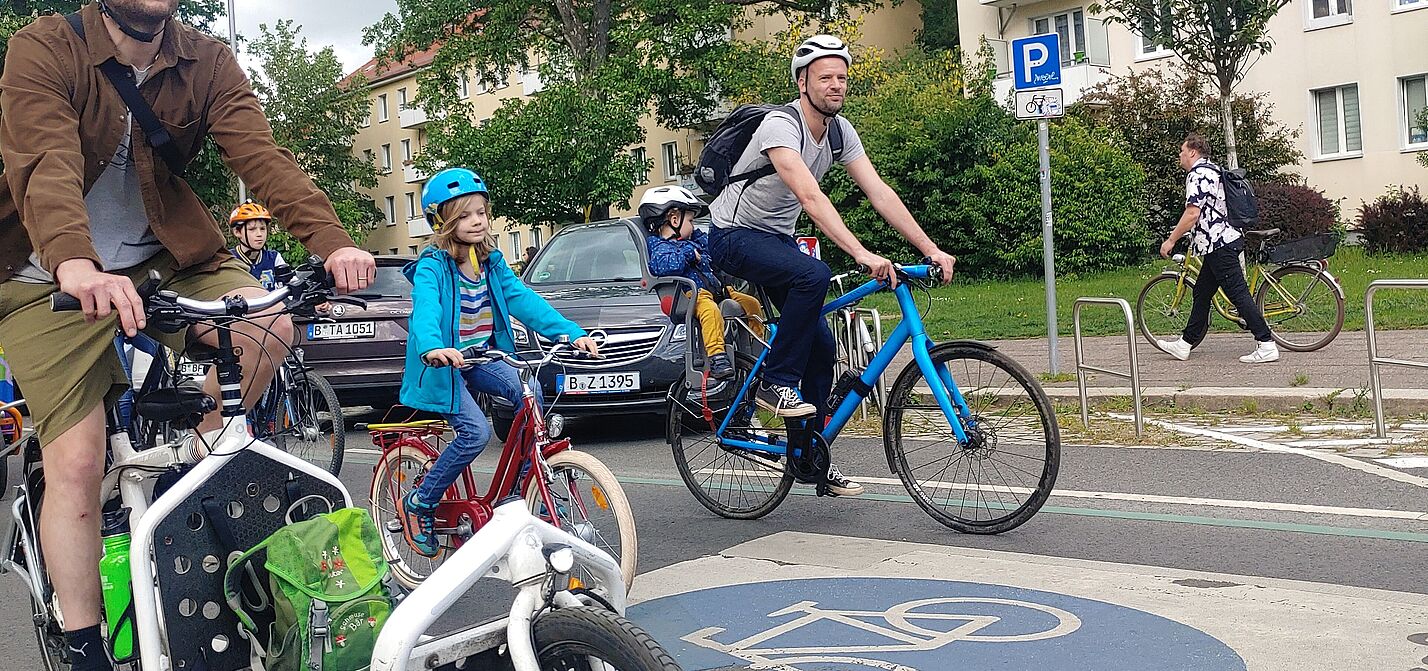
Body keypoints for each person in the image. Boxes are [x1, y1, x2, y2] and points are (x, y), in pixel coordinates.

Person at [0, 3, 375, 669]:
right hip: (43, 272)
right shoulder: (45, 47)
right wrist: (75, 262)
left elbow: (262, 157)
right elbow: (44, 159)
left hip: (164, 257)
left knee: (270, 324)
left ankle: (190, 466)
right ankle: (85, 644)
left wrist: (334, 241)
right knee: (80, 461)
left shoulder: (205, 60)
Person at [706, 35, 956, 497]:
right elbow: (809, 197)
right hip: (732, 237)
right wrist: (862, 254)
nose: (836, 85)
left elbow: (879, 192)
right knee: (813, 275)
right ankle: (773, 383)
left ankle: (810, 455)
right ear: (803, 82)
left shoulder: (840, 132)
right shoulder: (780, 126)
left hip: (775, 241)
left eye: (842, 77)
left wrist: (931, 248)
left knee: (820, 348)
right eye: (826, 77)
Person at [397, 168, 599, 557]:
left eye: (482, 213)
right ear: (442, 220)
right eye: (465, 214)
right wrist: (434, 347)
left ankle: (518, 490)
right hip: (443, 364)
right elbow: (425, 310)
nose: (478, 221)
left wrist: (572, 333)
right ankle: (421, 500)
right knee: (475, 434)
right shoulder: (433, 266)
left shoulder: (490, 261)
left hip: (481, 356)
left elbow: (525, 301)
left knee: (530, 392)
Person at [1156, 134, 1279, 364]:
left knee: (1238, 295)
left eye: (1182, 152)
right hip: (1217, 243)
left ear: (1193, 152)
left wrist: (1171, 240)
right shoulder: (1213, 169)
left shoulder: (1198, 174)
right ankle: (1185, 344)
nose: (1180, 156)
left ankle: (1266, 343)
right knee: (1202, 292)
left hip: (1219, 244)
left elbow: (1193, 213)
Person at [642, 185, 765, 380]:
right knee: (710, 311)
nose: (694, 226)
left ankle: (757, 349)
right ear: (674, 220)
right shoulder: (659, 246)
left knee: (752, 304)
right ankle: (717, 357)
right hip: (694, 295)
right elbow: (663, 266)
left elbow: (713, 253)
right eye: (691, 221)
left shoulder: (695, 240)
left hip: (719, 290)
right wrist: (689, 253)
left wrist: (700, 239)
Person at [228, 200, 288, 290]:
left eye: (263, 228)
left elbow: (290, 285)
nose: (259, 234)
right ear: (237, 232)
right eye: (252, 229)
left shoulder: (274, 258)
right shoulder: (230, 260)